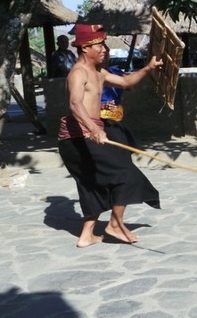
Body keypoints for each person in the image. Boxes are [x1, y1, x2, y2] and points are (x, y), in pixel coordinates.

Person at [57, 24, 163, 248]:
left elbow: (125, 83)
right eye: (99, 45)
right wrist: (94, 129)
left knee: (91, 183)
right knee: (126, 173)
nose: (105, 49)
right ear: (85, 48)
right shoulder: (78, 73)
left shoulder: (99, 73)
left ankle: (87, 235)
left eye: (104, 44)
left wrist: (148, 68)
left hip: (90, 134)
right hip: (77, 138)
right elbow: (75, 104)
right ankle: (114, 224)